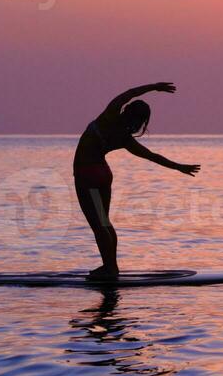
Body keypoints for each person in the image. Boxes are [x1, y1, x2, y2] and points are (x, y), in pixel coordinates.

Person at [73, 82, 201, 280]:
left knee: (98, 225)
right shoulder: (124, 138)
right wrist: (179, 167)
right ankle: (111, 266)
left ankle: (109, 269)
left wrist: (155, 86)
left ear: (127, 109)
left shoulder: (110, 115)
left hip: (87, 174)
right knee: (105, 222)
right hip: (103, 174)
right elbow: (153, 156)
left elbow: (130, 93)